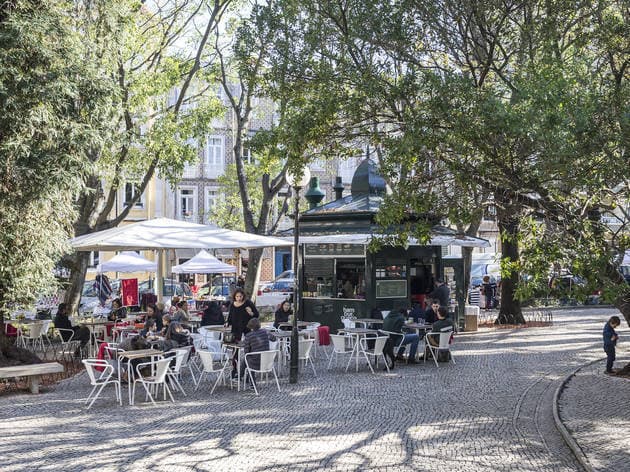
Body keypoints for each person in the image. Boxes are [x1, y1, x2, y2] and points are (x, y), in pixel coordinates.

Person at [239, 318, 276, 385]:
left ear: (250, 326)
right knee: (249, 358)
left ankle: (241, 377)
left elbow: (246, 351)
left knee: (247, 358)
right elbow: (274, 339)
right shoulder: (265, 332)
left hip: (256, 363)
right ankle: (246, 379)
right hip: (267, 362)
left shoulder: (249, 335)